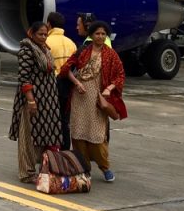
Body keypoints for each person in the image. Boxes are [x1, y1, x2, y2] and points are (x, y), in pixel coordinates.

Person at [62, 20, 125, 182]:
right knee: (78, 133)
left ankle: (105, 167)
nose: (101, 37)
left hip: (98, 98)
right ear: (91, 35)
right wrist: (77, 83)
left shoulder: (111, 54)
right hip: (80, 97)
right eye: (97, 33)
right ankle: (84, 168)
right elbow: (66, 69)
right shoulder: (83, 51)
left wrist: (109, 89)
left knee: (97, 135)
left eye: (103, 34)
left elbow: (120, 75)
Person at [9, 22, 62, 184]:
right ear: (31, 33)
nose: (43, 37)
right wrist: (31, 100)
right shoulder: (27, 50)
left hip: (48, 102)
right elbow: (24, 78)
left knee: (45, 135)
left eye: (46, 34)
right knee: (29, 136)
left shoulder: (44, 49)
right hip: (32, 100)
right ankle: (27, 172)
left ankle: (43, 167)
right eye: (40, 34)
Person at [45, 12, 77, 151]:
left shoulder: (46, 42)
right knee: (64, 119)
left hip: (52, 85)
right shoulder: (71, 43)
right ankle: (65, 149)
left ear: (49, 24)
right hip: (67, 85)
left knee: (50, 119)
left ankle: (51, 150)